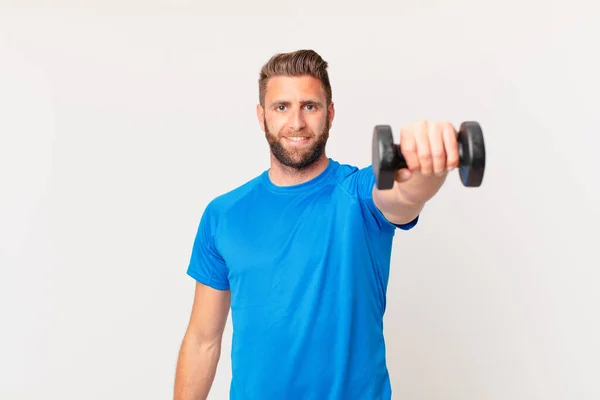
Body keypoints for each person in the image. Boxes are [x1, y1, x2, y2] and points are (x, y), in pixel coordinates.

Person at [174, 49, 460, 400]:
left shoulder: (357, 195)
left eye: (309, 106)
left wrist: (429, 169)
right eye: (282, 107)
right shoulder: (223, 215)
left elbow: (404, 195)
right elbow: (203, 340)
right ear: (261, 116)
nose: (296, 122)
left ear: (330, 114)